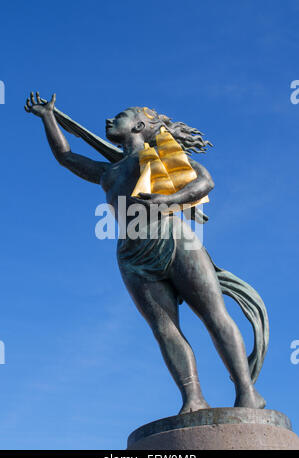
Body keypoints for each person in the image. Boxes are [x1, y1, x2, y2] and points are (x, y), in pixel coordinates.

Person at [25, 92, 268, 413]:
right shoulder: (108, 172)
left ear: (139, 125)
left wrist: (170, 201)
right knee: (164, 328)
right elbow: (67, 157)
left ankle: (247, 392)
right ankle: (193, 399)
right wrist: (48, 118)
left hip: (175, 239)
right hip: (133, 255)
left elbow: (205, 181)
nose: (110, 120)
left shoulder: (159, 155)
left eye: (120, 116)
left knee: (213, 315)